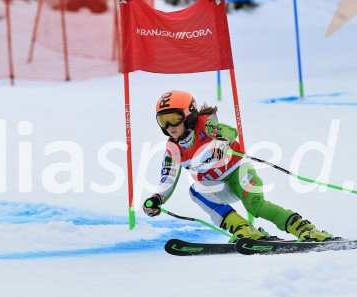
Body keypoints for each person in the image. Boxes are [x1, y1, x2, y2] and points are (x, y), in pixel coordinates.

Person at [142, 90, 335, 241]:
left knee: (256, 207)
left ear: (189, 114)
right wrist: (156, 199)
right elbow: (167, 180)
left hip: (239, 171)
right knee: (195, 190)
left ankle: (305, 228)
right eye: (162, 120)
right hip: (219, 186)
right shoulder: (172, 149)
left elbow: (229, 131)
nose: (169, 126)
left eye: (174, 118)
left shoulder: (206, 125)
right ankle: (244, 229)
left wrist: (220, 141)